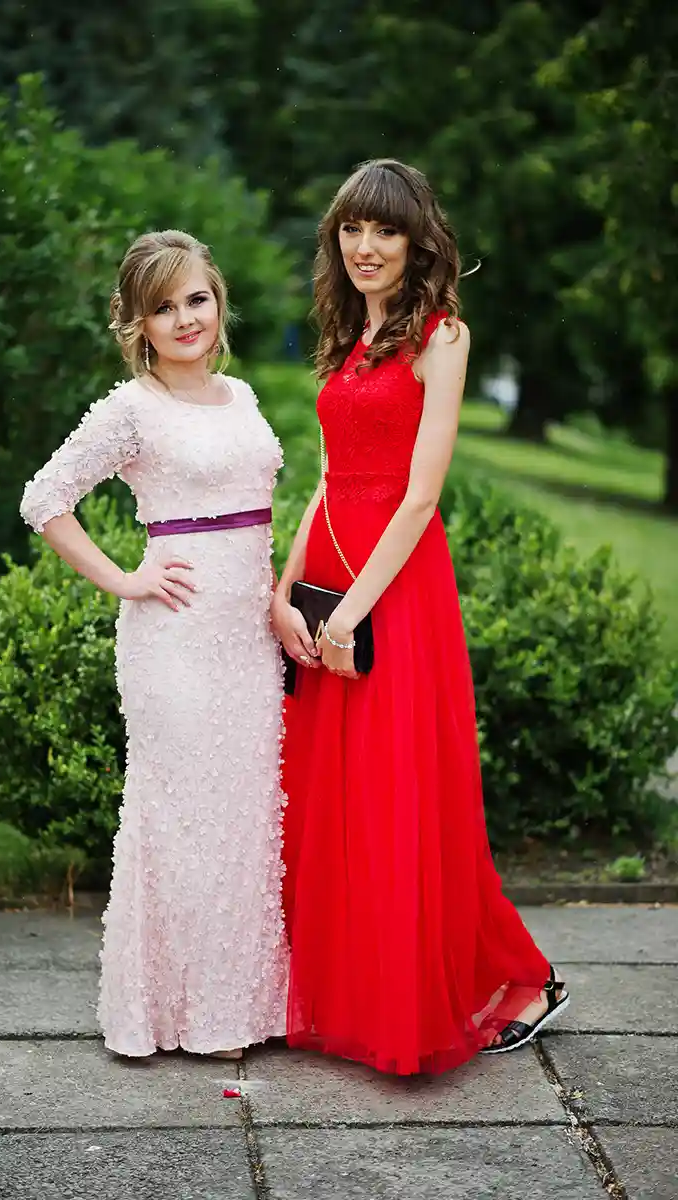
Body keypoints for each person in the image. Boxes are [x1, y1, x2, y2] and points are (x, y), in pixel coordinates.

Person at [272, 160, 569, 1075]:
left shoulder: (442, 336)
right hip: (328, 575)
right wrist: (285, 592)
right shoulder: (345, 336)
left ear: (417, 242)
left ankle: (522, 979)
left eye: (386, 232)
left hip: (394, 586)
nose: (365, 248)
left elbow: (420, 497)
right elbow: (326, 475)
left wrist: (350, 614)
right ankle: (352, 991)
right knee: (335, 799)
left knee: (404, 801)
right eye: (353, 230)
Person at [20, 230, 288, 1060]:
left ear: (219, 302)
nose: (184, 319)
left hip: (249, 641)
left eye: (196, 299)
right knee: (182, 822)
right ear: (137, 321)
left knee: (247, 822)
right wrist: (124, 579)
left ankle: (240, 1009)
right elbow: (44, 498)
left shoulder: (241, 397)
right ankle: (179, 1016)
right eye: (163, 307)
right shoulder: (131, 408)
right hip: (173, 643)